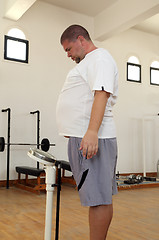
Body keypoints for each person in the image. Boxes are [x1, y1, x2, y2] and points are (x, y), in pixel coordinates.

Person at [56, 24, 118, 240]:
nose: (68, 55)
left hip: (94, 138)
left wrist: (92, 132)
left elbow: (101, 93)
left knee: (99, 198)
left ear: (81, 39)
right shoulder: (90, 62)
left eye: (69, 49)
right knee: (96, 197)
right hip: (85, 138)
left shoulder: (99, 58)